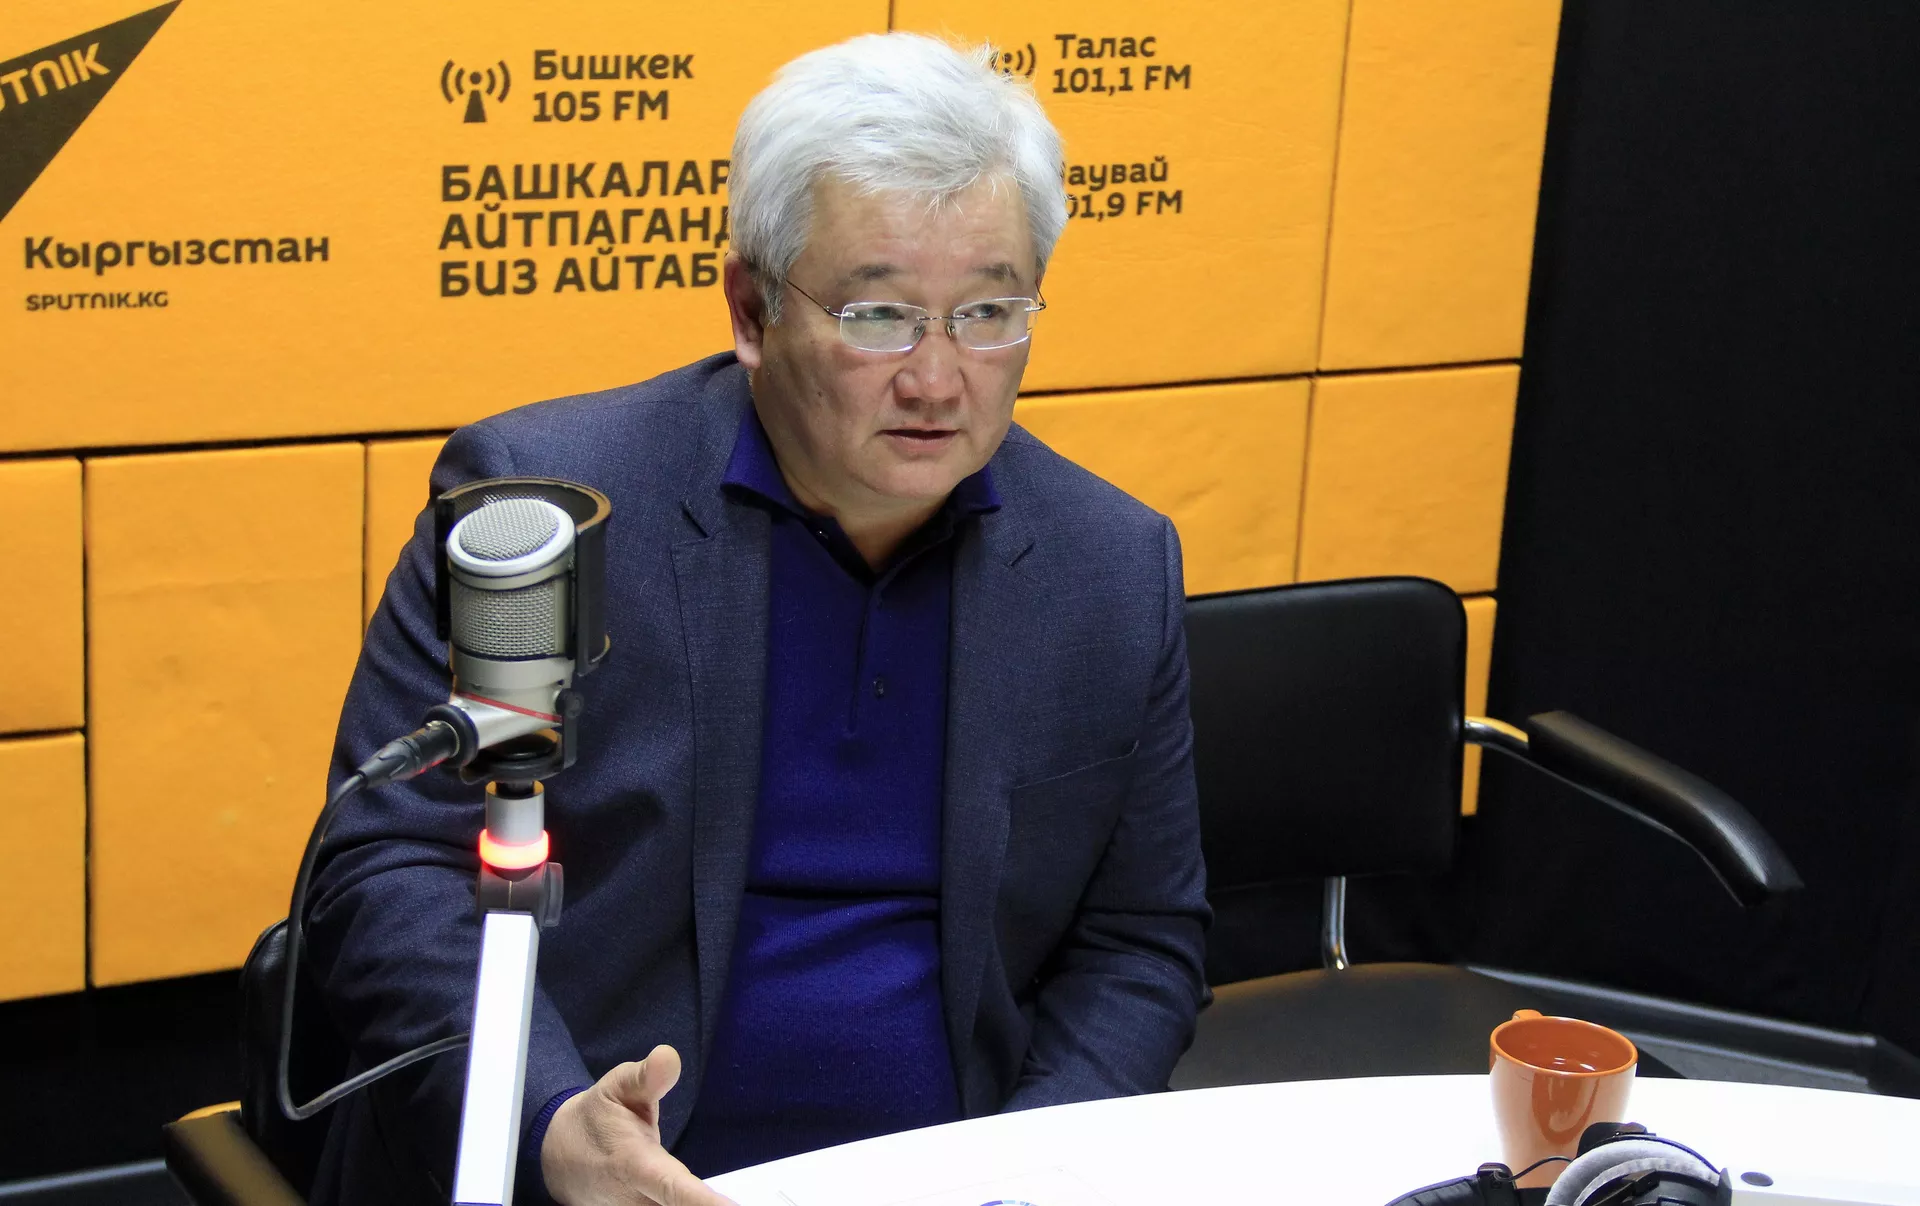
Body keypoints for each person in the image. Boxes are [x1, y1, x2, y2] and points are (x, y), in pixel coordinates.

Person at [307, 32, 1208, 1206]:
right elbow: (392, 865)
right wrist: (549, 1126)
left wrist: (1029, 1172)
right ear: (751, 307)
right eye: (879, 316)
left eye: (989, 312)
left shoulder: (1110, 566)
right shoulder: (545, 513)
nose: (939, 380)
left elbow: (1138, 943)